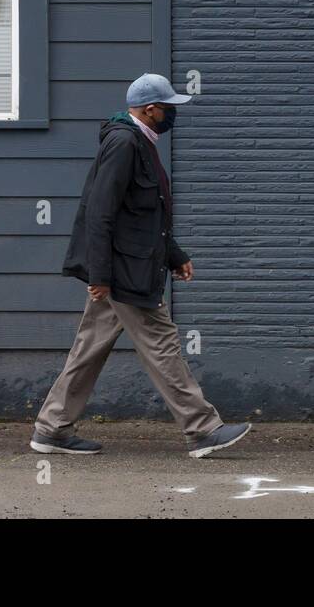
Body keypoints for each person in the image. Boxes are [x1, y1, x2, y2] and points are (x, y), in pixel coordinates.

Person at [31, 73, 252, 458]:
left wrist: (175, 255)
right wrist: (99, 276)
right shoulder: (124, 144)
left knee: (88, 350)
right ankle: (202, 430)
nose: (172, 116)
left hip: (123, 268)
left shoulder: (140, 142)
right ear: (150, 110)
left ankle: (52, 429)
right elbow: (100, 213)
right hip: (123, 274)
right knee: (162, 344)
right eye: (168, 109)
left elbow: (144, 216)